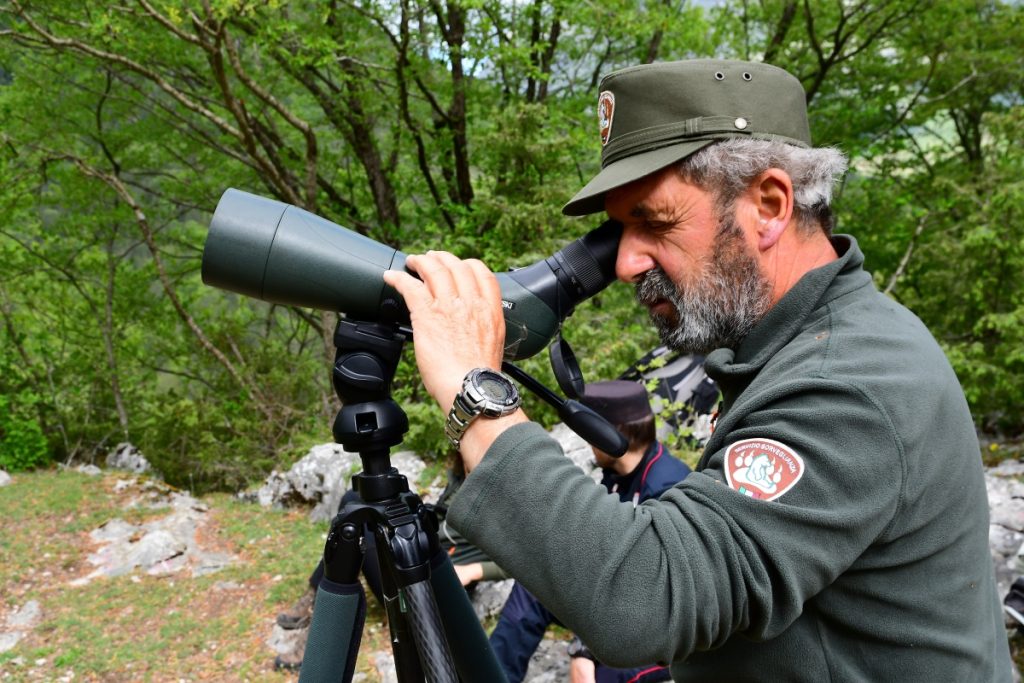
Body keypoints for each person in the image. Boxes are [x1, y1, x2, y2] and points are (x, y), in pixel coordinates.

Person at [382, 58, 1014, 681]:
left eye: (654, 222)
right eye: (615, 235)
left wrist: (475, 386)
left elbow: (644, 597)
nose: (626, 264)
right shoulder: (803, 343)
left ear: (768, 205)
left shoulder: (852, 382)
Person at [489, 379, 689, 683]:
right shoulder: (617, 477)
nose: (587, 443)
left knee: (603, 674)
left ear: (616, 432)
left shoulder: (666, 488)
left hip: (662, 628)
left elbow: (650, 593)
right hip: (615, 603)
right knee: (532, 591)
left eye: (591, 435)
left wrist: (585, 651)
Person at [273, 455, 507, 670]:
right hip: (416, 552)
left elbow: (524, 558)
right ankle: (315, 601)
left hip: (432, 579)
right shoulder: (462, 474)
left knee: (358, 526)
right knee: (354, 505)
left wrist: (475, 570)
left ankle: (320, 636)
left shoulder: (500, 492)